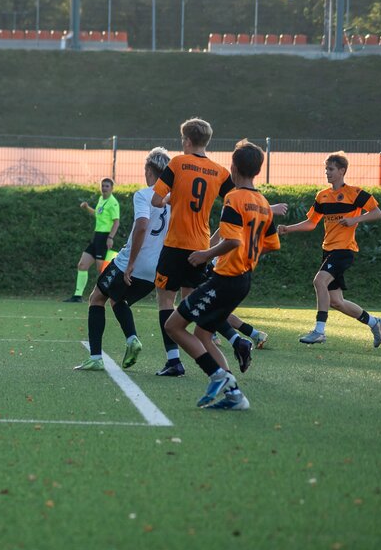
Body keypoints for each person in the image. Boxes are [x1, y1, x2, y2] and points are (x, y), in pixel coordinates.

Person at [164, 139, 280, 411]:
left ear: (233, 168)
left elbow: (233, 241)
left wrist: (205, 254)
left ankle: (218, 375)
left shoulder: (234, 198)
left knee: (173, 326)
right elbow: (272, 244)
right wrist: (249, 255)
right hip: (243, 280)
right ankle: (234, 395)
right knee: (203, 333)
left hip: (226, 278)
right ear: (258, 170)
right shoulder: (263, 203)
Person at [151, 118, 254, 377]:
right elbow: (238, 198)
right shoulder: (219, 171)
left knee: (166, 300)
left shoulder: (177, 163)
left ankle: (173, 360)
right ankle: (237, 341)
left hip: (175, 245)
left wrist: (169, 198)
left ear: (187, 140)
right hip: (201, 247)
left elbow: (156, 200)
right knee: (193, 304)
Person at [75, 148, 171, 371]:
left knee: (96, 298)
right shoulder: (173, 200)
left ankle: (96, 357)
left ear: (149, 171)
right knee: (118, 300)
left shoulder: (144, 195)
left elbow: (142, 226)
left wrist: (130, 264)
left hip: (131, 261)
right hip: (156, 268)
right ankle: (131, 339)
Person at [277, 151, 381, 347]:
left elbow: (377, 213)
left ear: (342, 171)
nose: (327, 172)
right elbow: (311, 223)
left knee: (319, 281)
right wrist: (288, 229)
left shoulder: (354, 193)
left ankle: (319, 331)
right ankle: (373, 322)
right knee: (336, 301)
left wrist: (354, 219)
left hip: (344, 250)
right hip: (328, 251)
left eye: (331, 169)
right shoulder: (322, 196)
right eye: (326, 169)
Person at [65, 178, 120, 302]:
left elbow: (116, 222)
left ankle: (113, 295)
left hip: (104, 237)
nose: (104, 188)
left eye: (107, 186)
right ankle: (77, 296)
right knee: (82, 265)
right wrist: (87, 207)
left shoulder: (113, 203)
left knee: (102, 270)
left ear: (112, 188)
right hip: (96, 237)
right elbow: (97, 213)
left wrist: (110, 237)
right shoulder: (101, 199)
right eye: (103, 185)